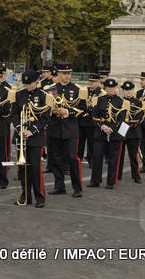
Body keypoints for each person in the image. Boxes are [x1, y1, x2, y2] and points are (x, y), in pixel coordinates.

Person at [11, 70, 53, 207]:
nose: (27, 86)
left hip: (35, 137)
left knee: (35, 168)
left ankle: (40, 197)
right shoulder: (19, 95)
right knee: (22, 168)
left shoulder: (43, 96)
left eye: (29, 83)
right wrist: (19, 128)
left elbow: (45, 118)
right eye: (25, 83)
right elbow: (14, 114)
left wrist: (32, 131)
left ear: (36, 81)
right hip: (21, 136)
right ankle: (25, 195)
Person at [44, 62, 86, 198]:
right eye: (64, 73)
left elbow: (84, 110)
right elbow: (43, 109)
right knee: (56, 158)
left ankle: (77, 187)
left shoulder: (79, 89)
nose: (67, 76)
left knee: (72, 158)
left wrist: (67, 112)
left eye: (69, 73)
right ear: (59, 74)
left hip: (70, 129)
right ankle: (59, 186)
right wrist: (52, 111)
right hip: (54, 128)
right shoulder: (49, 89)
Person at [87, 78, 126, 189]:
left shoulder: (121, 101)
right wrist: (103, 126)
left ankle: (111, 182)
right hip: (101, 133)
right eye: (109, 88)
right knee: (97, 157)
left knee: (113, 159)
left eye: (113, 87)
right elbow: (95, 115)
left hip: (114, 134)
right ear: (105, 88)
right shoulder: (100, 100)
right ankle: (95, 180)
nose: (111, 89)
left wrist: (112, 128)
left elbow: (122, 119)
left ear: (116, 88)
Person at [118, 81, 143, 184]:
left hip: (133, 130)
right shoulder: (119, 101)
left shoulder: (138, 102)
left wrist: (129, 123)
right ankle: (117, 174)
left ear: (133, 90)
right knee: (120, 155)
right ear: (123, 91)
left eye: (130, 90)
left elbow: (140, 117)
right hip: (121, 130)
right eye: (126, 90)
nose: (128, 92)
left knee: (133, 155)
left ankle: (136, 175)